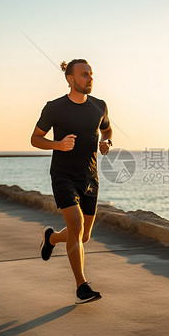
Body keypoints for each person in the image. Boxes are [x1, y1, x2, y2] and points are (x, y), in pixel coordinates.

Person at [30, 59, 113, 304]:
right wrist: (57, 145)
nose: (90, 78)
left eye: (91, 74)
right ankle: (81, 286)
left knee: (84, 236)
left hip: (90, 177)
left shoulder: (99, 106)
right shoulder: (54, 108)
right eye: (84, 74)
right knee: (76, 227)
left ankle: (52, 237)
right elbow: (35, 138)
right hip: (63, 176)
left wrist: (107, 143)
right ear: (70, 79)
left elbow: (107, 130)